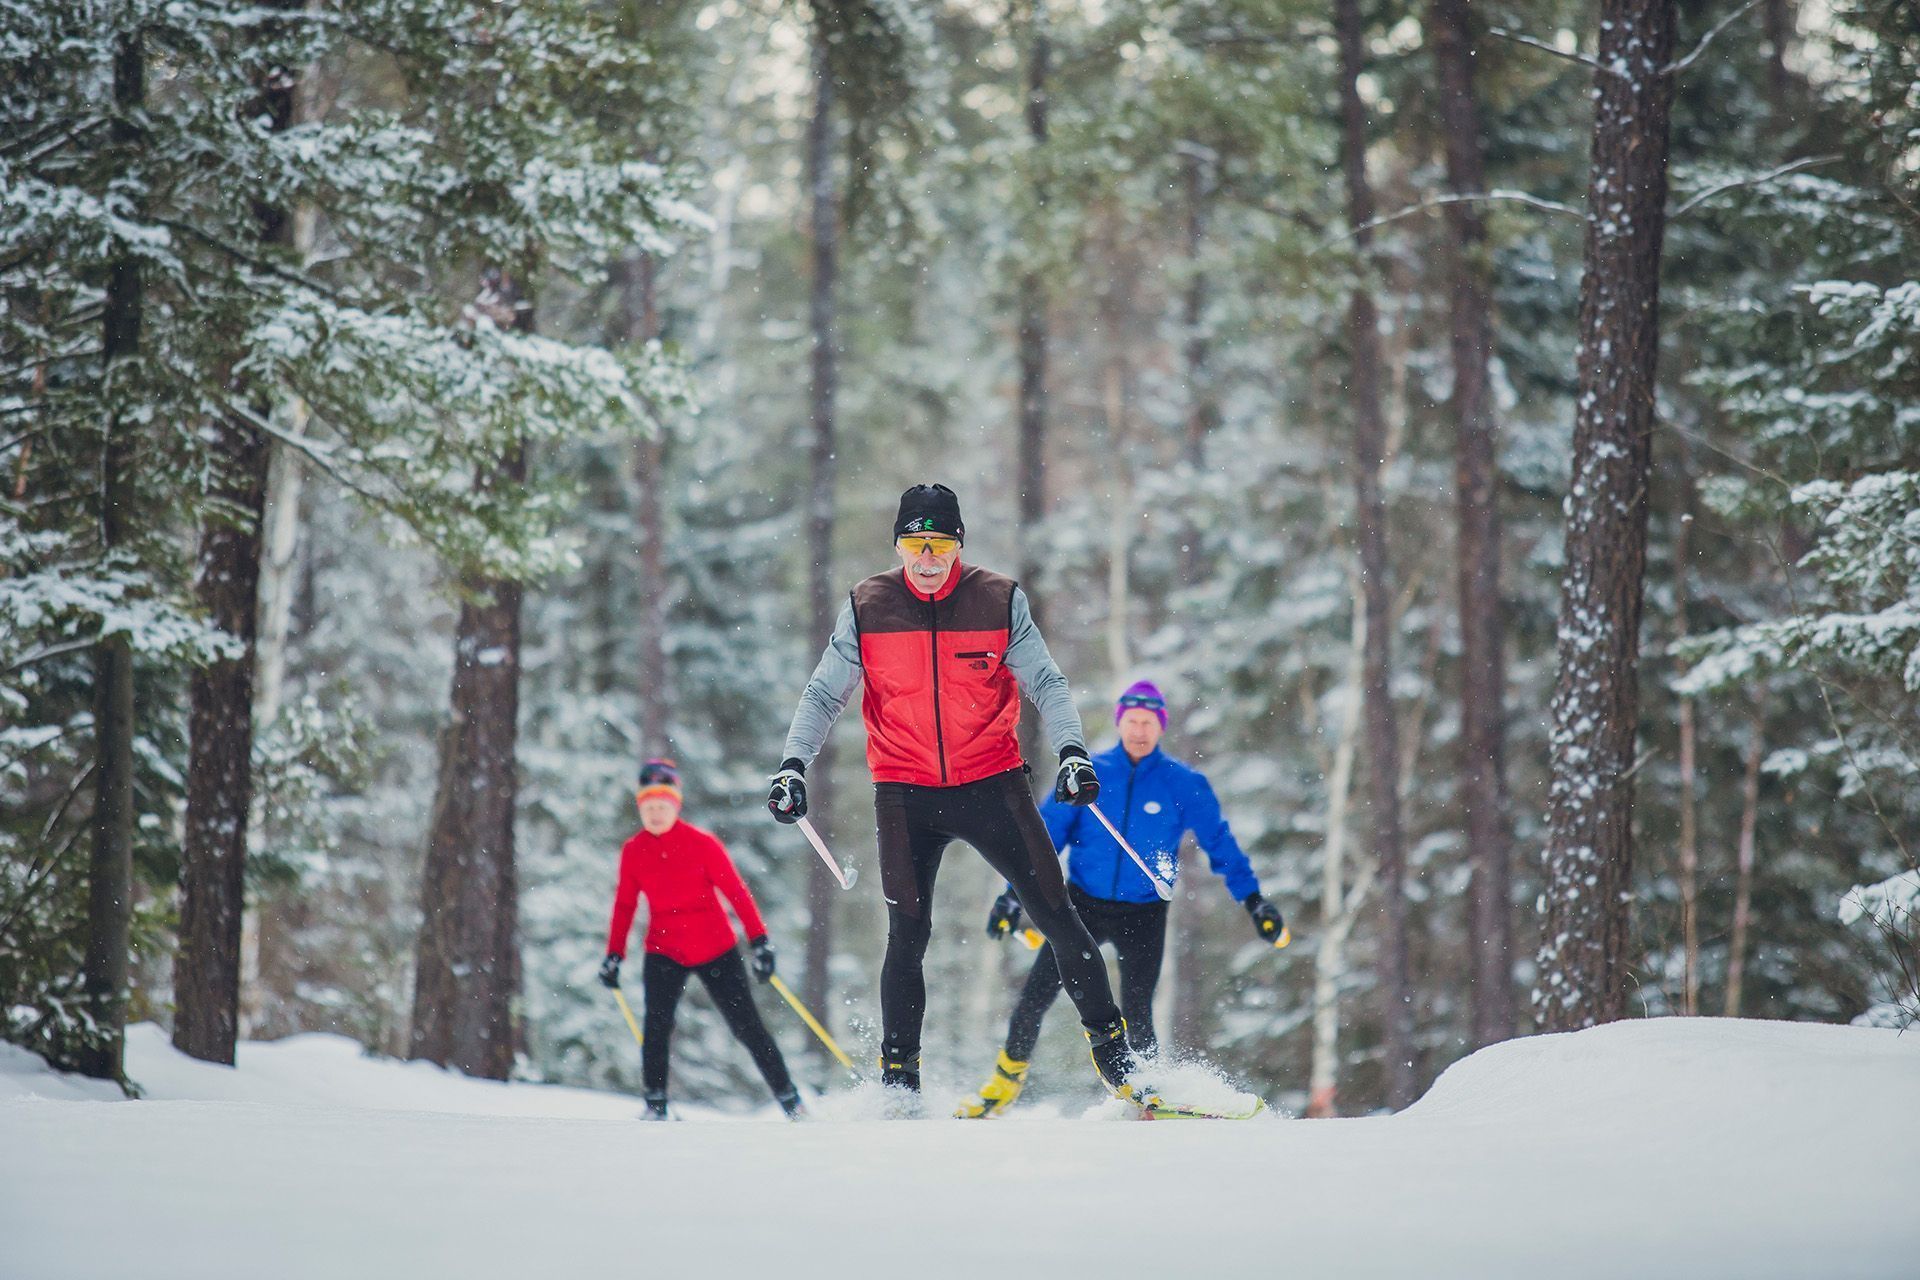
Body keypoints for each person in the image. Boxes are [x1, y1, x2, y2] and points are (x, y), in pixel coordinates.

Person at [767, 483, 1157, 1112]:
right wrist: (792, 766)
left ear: (958, 545)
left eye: (940, 544)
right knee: (907, 934)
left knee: (1057, 914)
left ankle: (1121, 1063)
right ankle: (900, 1087)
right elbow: (823, 694)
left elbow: (1049, 685)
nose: (927, 558)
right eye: (916, 544)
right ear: (898, 545)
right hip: (903, 791)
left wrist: (1073, 752)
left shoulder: (998, 600)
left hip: (990, 782)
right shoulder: (868, 605)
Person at [957, 680, 1287, 1117]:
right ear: (1119, 722)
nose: (1139, 730)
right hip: (1082, 907)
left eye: (1148, 722)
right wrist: (1011, 896)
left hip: (1145, 914)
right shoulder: (1088, 775)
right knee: (1035, 996)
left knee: (1137, 1010)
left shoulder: (1183, 784)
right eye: (1132, 720)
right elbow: (1043, 839)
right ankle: (1001, 1088)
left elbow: (1220, 844)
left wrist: (1254, 901)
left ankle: (1146, 1096)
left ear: (1161, 727)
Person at [598, 759, 803, 1120]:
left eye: (662, 806)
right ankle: (655, 1105)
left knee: (747, 1027)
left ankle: (791, 1102)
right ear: (640, 808)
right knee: (657, 1027)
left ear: (675, 806)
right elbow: (625, 904)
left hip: (716, 948)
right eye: (648, 807)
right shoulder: (634, 851)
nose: (656, 814)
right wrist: (614, 954)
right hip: (664, 950)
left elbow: (737, 893)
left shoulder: (701, 844)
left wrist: (760, 942)